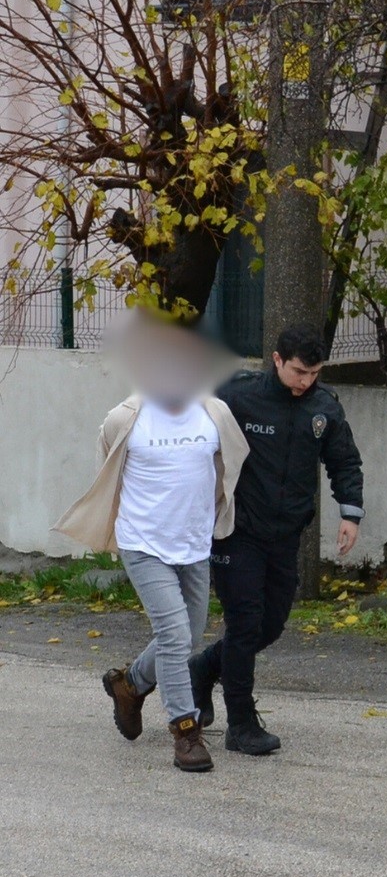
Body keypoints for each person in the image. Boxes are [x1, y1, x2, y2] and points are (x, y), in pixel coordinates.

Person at [54, 315, 247, 773]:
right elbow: (110, 463)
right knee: (176, 635)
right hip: (144, 543)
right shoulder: (125, 417)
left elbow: (227, 466)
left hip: (194, 544)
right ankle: (186, 731)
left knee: (187, 635)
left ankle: (131, 684)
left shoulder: (213, 412)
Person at [187, 324, 364, 756]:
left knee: (270, 625)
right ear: (278, 360)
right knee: (245, 623)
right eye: (299, 371)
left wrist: (350, 513)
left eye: (314, 373)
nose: (306, 381)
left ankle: (205, 668)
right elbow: (190, 435)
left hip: (287, 536)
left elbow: (344, 461)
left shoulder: (324, 407)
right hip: (238, 532)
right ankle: (241, 725)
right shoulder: (239, 395)